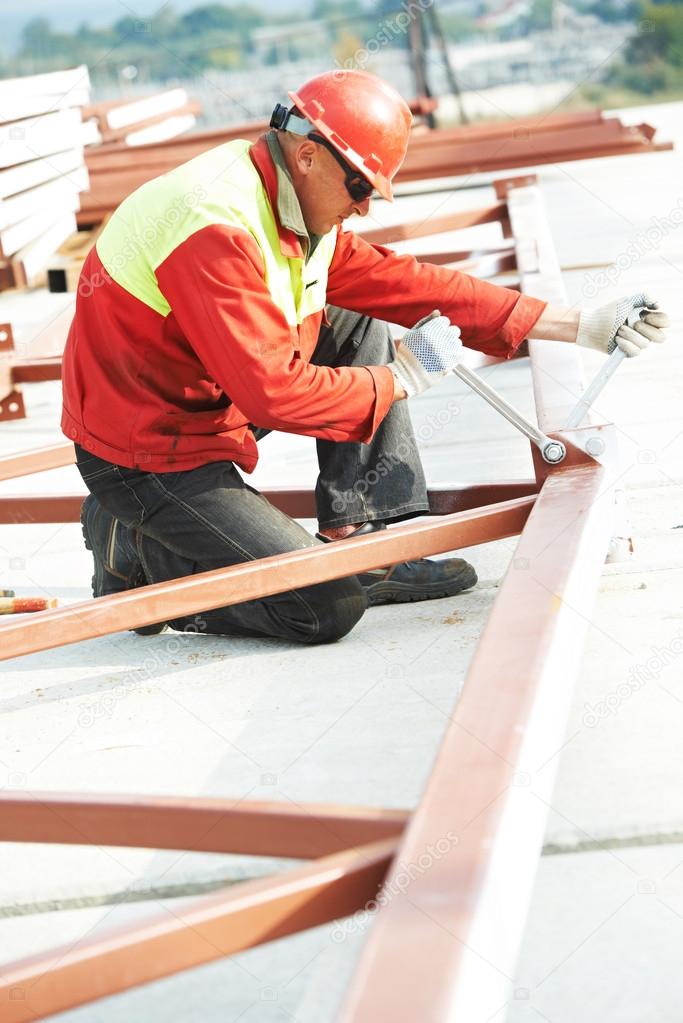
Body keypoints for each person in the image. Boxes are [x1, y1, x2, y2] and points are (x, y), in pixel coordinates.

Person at [62, 70, 669, 645]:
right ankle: (138, 547)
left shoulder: (288, 204)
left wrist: (577, 324)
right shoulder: (213, 225)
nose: (364, 207)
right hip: (148, 453)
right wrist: (398, 379)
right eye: (359, 186)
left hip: (198, 396)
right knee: (322, 607)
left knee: (353, 319)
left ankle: (363, 533)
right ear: (307, 155)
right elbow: (272, 392)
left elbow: (406, 283)